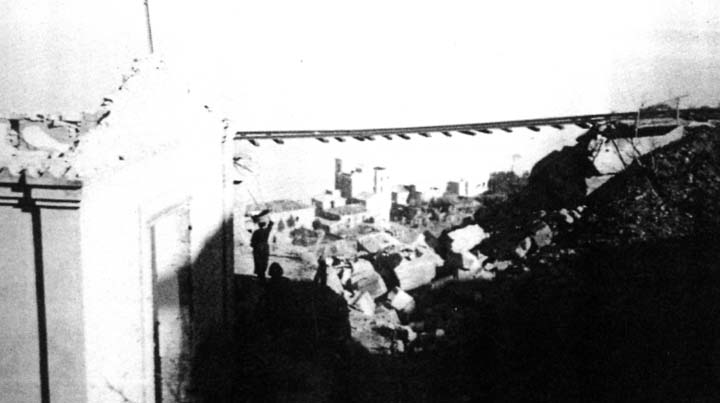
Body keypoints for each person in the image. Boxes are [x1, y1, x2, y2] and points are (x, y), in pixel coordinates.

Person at [250, 210, 274, 281]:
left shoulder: (256, 232)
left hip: (258, 247)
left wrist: (254, 246)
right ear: (264, 225)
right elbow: (271, 224)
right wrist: (268, 216)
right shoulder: (266, 231)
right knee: (264, 261)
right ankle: (262, 275)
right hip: (265, 247)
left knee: (258, 261)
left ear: (259, 225)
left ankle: (260, 276)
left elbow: (252, 242)